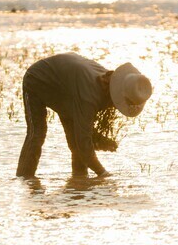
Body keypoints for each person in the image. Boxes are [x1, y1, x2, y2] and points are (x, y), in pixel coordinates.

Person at [16, 52, 153, 179]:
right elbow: (84, 142)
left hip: (67, 87)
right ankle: (23, 180)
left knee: (75, 141)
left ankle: (79, 179)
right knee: (37, 133)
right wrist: (102, 173)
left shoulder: (107, 82)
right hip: (37, 79)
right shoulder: (89, 98)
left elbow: (83, 133)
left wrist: (98, 139)